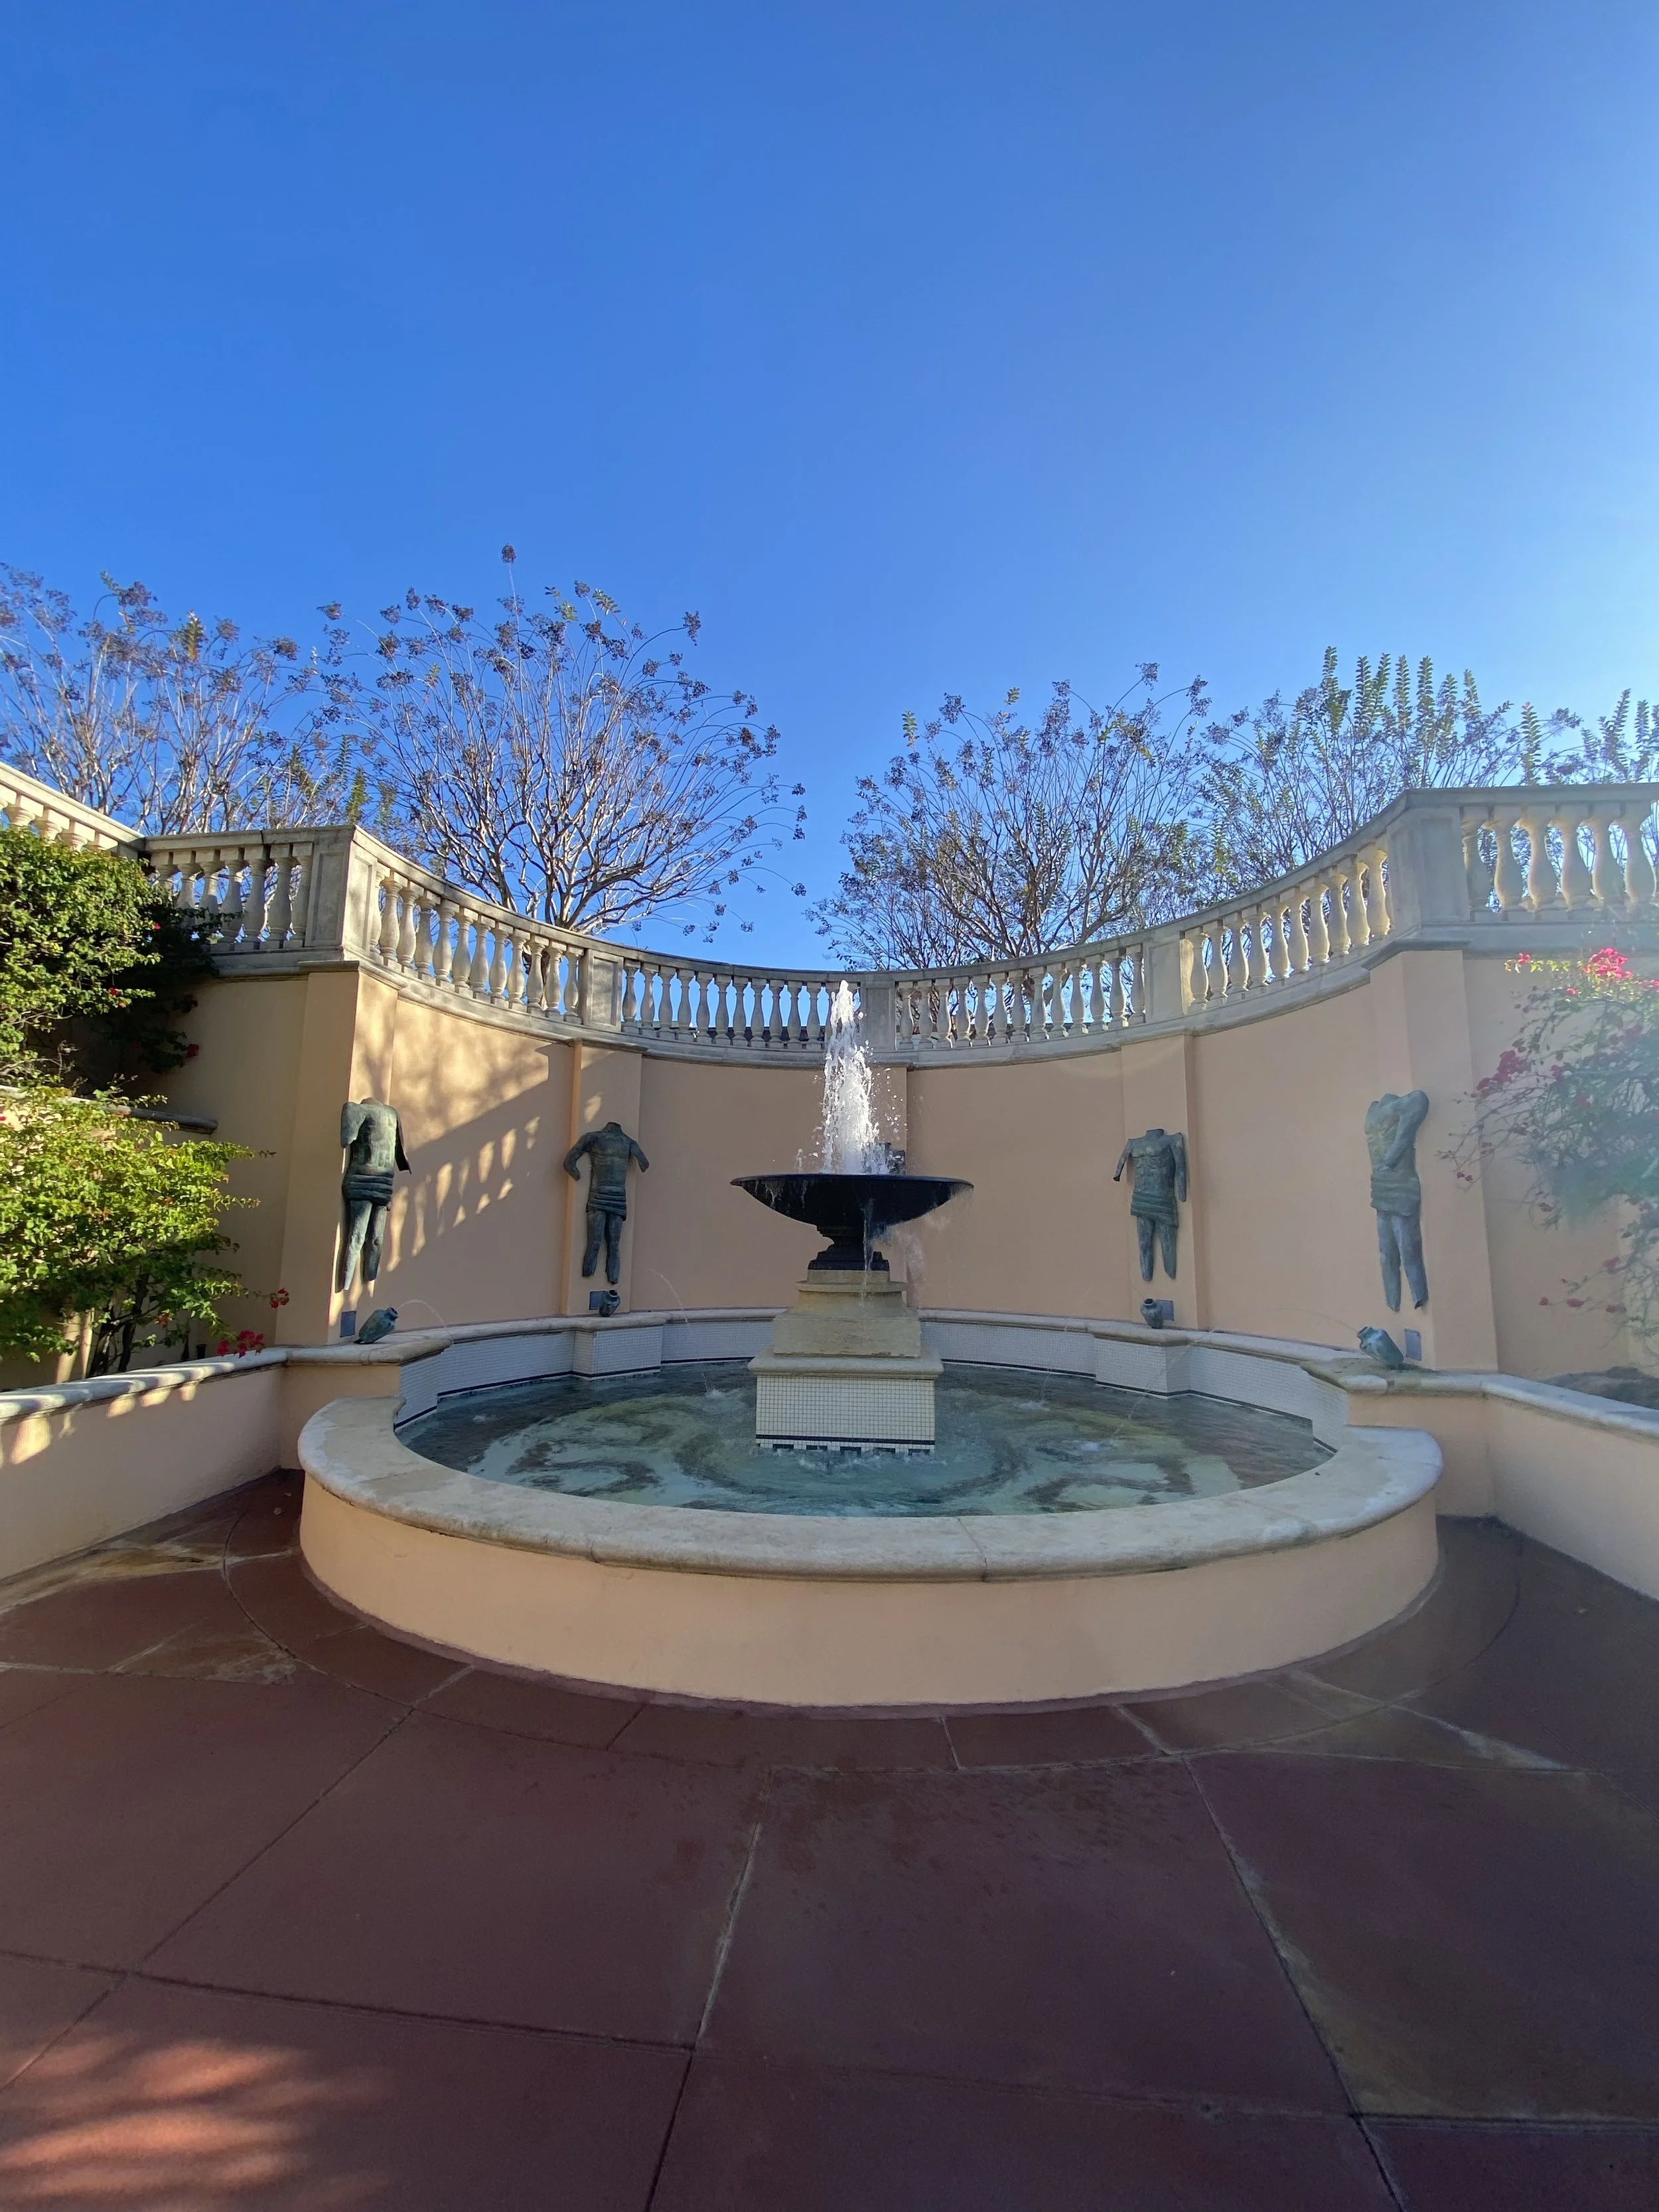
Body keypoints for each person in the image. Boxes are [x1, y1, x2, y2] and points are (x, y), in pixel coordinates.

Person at [1365, 1090, 1430, 1311]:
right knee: (1386, 1252)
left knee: (1407, 1246)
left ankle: (1418, 1295)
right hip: (1381, 1186)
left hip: (1401, 1186)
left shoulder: (1398, 1106)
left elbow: (1417, 1102)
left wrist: (1392, 1155)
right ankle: (1393, 1301)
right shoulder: (1373, 1112)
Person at [564, 1120, 650, 1286]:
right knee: (605, 1243)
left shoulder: (598, 1138)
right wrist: (576, 1174)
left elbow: (569, 1162)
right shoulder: (623, 1142)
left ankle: (608, 1276)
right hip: (603, 1197)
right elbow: (645, 1164)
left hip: (612, 1198)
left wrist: (576, 1175)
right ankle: (595, 1274)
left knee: (603, 1243)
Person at [338, 1100, 409, 1291]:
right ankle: (363, 1280)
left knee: (358, 1236)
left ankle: (351, 1282)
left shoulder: (361, 1110)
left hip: (370, 1179)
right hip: (377, 1181)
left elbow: (347, 1138)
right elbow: (401, 1155)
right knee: (373, 1238)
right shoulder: (391, 1114)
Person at [1114, 1126, 1188, 1282]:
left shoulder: (1173, 1140)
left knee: (1167, 1243)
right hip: (1141, 1198)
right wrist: (1182, 1194)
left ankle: (1168, 1273)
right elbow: (1118, 1169)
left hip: (1162, 1198)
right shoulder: (1133, 1143)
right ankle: (1147, 1274)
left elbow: (1181, 1168)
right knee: (1144, 1242)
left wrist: (1182, 1193)